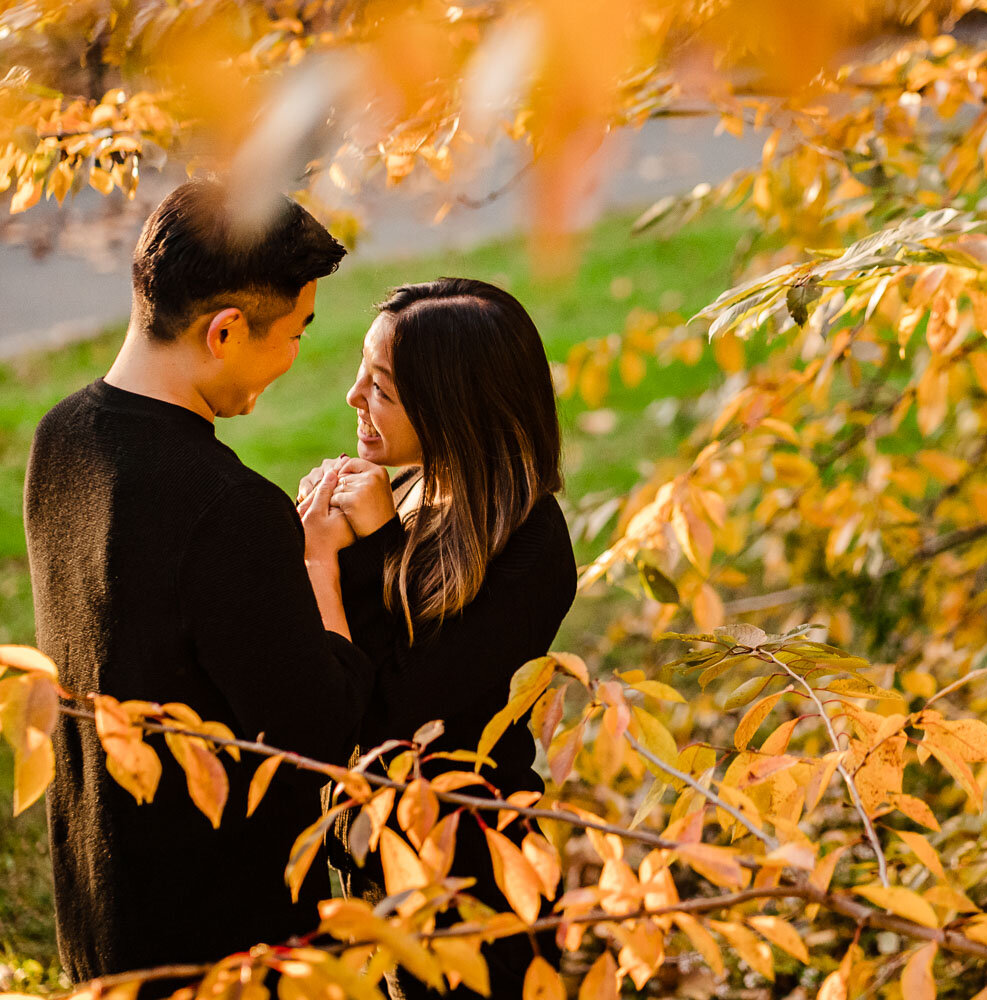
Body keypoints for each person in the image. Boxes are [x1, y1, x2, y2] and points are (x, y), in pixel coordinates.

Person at [23, 179, 375, 990]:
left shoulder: (60, 439)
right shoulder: (228, 508)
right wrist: (316, 559)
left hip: (100, 903)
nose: (294, 355)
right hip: (218, 940)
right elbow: (321, 736)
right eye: (293, 332)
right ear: (224, 331)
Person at [299, 278, 576, 1000]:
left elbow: (390, 712)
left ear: (453, 408)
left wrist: (330, 560)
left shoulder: (530, 546)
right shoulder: (418, 488)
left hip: (471, 874)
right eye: (365, 372)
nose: (354, 397)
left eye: (382, 388)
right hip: (380, 852)